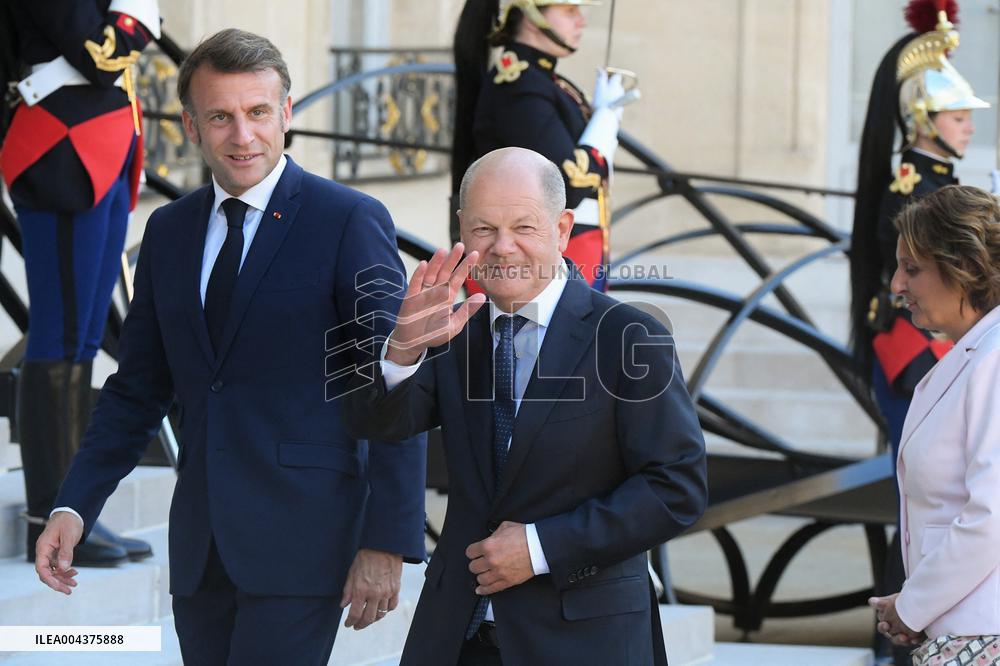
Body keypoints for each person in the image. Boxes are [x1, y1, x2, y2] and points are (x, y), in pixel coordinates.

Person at [32, 29, 427, 665]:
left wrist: (387, 539)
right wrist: (76, 504)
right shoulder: (168, 231)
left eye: (258, 112)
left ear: (286, 113)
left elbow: (393, 380)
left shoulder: (348, 220)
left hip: (305, 542)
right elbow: (136, 390)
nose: (243, 136)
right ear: (191, 125)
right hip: (201, 550)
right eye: (220, 117)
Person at [343, 147, 707, 666]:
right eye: (484, 229)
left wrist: (540, 548)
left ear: (562, 230)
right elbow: (378, 425)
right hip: (455, 637)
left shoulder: (628, 336)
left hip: (584, 641)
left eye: (524, 227)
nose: (502, 247)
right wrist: (402, 350)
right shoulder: (451, 332)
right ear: (462, 230)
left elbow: (677, 488)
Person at [0, 0, 164, 567]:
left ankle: (71, 512)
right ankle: (49, 514)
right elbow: (100, 54)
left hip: (101, 143)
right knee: (61, 336)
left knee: (85, 338)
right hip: (61, 148)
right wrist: (138, 15)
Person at [868, 184, 1000, 665]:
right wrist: (915, 603)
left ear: (963, 267)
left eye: (913, 269)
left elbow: (991, 515)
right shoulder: (976, 353)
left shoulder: (995, 359)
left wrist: (912, 606)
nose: (896, 285)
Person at [452, 0, 624, 291]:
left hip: (567, 252)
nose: (581, 21)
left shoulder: (542, 81)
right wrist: (605, 124)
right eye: (569, 11)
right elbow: (568, 186)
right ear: (532, 17)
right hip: (534, 264)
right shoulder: (519, 86)